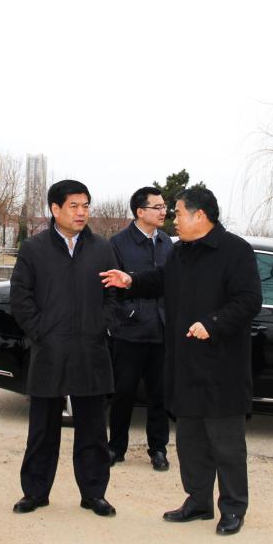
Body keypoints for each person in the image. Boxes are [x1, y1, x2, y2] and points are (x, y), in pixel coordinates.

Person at [101, 187, 261, 536]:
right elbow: (160, 280)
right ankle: (198, 501)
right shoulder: (180, 251)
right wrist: (131, 280)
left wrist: (213, 323)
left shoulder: (235, 251)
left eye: (179, 213)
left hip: (222, 367)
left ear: (200, 216)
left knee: (226, 444)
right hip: (184, 363)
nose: (173, 219)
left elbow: (249, 300)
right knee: (191, 441)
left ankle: (233, 508)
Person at [9, 179, 119, 517]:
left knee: (93, 429)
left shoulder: (102, 249)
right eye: (74, 206)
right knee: (42, 428)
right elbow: (21, 297)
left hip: (91, 349)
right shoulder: (34, 249)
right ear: (55, 209)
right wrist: (41, 332)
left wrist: (100, 325)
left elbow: (114, 295)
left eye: (85, 205)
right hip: (49, 350)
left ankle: (94, 494)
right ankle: (35, 492)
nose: (81, 212)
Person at [106, 186, 173, 471]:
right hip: (129, 332)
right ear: (140, 211)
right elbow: (110, 288)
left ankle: (158, 449)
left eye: (164, 206)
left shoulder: (167, 243)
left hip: (162, 331)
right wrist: (129, 314)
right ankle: (115, 447)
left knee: (160, 395)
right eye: (157, 207)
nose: (163, 211)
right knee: (123, 392)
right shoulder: (118, 243)